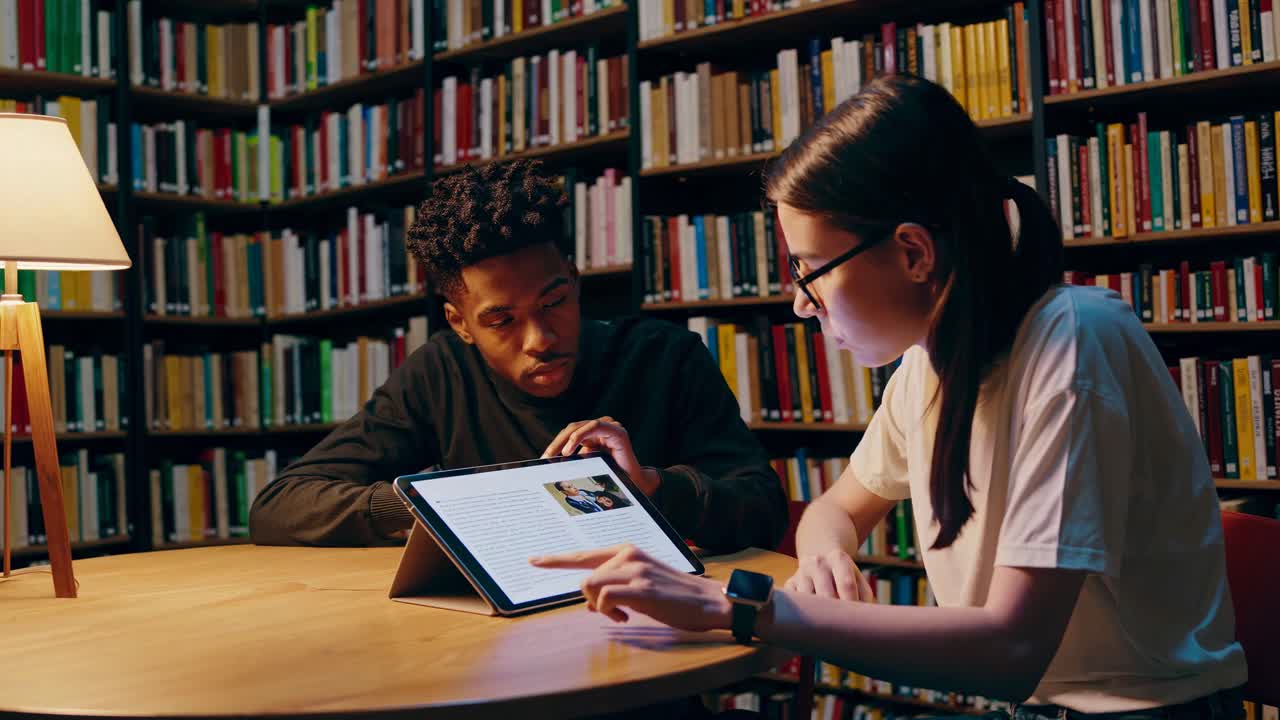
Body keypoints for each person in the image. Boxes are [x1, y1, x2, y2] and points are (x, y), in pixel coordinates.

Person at [531, 74, 1248, 719]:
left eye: (811, 270)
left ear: (912, 253)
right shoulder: (929, 366)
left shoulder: (1072, 342)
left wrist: (738, 608)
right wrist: (825, 555)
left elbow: (1011, 648)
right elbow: (837, 509)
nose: (800, 305)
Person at [249, 159, 788, 555]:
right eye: (502, 320)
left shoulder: (665, 357)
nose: (539, 339)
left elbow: (763, 509)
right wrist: (435, 508)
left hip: (649, 642)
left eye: (554, 302)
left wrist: (649, 484)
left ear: (575, 282)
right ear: (460, 323)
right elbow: (280, 505)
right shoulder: (440, 373)